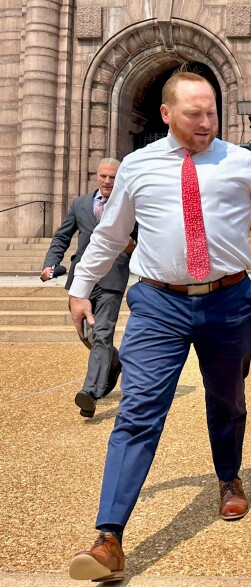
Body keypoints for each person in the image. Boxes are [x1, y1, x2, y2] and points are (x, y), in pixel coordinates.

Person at [66, 69, 251, 582]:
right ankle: (109, 537)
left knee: (227, 400)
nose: (205, 122)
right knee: (138, 410)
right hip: (158, 302)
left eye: (211, 112)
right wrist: (79, 288)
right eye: (194, 113)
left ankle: (228, 479)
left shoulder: (240, 162)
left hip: (227, 301)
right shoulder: (137, 166)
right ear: (166, 114)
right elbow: (111, 235)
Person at [41, 158, 135, 417]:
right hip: (82, 280)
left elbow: (141, 239)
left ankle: (91, 392)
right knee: (87, 335)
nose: (107, 181)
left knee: (102, 334)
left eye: (113, 177)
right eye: (103, 176)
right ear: (97, 176)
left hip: (112, 278)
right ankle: (113, 363)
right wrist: (51, 263)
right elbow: (62, 235)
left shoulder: (129, 204)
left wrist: (132, 246)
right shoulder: (80, 204)